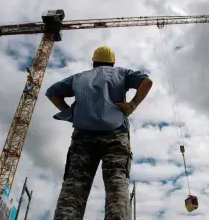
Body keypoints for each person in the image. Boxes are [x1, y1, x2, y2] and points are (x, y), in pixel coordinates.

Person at [46, 46, 153, 220]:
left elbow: (52, 93)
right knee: (116, 185)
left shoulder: (79, 77)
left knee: (73, 188)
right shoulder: (121, 73)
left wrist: (71, 114)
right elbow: (146, 82)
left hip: (83, 136)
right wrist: (132, 105)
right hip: (116, 134)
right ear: (112, 62)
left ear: (93, 62)